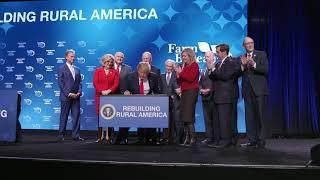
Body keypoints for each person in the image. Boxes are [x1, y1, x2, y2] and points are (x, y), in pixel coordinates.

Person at [239, 37, 269, 148]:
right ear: (244, 46)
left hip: (259, 91)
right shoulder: (242, 57)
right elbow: (238, 73)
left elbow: (266, 70)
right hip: (247, 91)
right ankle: (252, 140)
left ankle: (261, 141)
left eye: (251, 42)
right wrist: (242, 66)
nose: (250, 45)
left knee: (260, 117)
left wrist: (254, 64)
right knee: (249, 117)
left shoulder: (261, 54)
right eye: (247, 43)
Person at [208, 44, 237, 148]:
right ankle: (218, 140)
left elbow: (226, 76)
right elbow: (213, 77)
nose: (216, 53)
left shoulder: (231, 62)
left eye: (218, 51)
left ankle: (226, 141)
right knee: (217, 120)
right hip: (217, 95)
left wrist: (214, 70)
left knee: (224, 120)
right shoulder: (219, 63)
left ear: (224, 52)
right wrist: (211, 70)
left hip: (225, 96)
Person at [124, 62, 160, 145]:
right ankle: (140, 139)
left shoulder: (153, 76)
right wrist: (126, 91)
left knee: (150, 122)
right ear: (138, 70)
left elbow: (157, 91)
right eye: (141, 73)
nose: (143, 75)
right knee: (139, 121)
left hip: (149, 103)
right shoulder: (130, 76)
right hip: (134, 103)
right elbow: (126, 89)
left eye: (146, 73)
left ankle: (151, 139)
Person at [57, 49, 83, 141]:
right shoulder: (61, 68)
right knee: (64, 116)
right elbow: (61, 83)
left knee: (76, 117)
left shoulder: (77, 69)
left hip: (76, 97)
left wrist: (79, 92)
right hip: (66, 97)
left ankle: (76, 135)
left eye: (74, 56)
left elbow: (80, 82)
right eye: (71, 56)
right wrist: (69, 94)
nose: (73, 58)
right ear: (66, 57)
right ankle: (61, 135)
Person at [175, 48, 199, 147]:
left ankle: (193, 138)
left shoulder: (194, 65)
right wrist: (178, 75)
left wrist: (181, 73)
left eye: (185, 56)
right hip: (184, 92)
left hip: (191, 92)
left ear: (190, 56)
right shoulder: (184, 66)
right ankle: (187, 137)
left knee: (188, 116)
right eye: (182, 56)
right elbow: (182, 81)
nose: (183, 58)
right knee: (184, 116)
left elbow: (190, 78)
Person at [93, 54, 119, 144]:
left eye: (111, 61)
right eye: (107, 61)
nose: (109, 63)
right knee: (100, 116)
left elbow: (116, 83)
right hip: (99, 96)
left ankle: (110, 137)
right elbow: (95, 83)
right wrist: (101, 91)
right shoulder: (98, 71)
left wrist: (109, 90)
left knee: (110, 116)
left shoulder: (115, 71)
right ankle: (100, 137)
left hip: (110, 96)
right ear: (103, 62)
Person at [160, 59, 182, 144]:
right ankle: (166, 137)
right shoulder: (161, 76)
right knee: (165, 119)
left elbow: (178, 87)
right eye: (167, 66)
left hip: (175, 100)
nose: (168, 68)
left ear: (173, 67)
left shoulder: (176, 75)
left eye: (170, 66)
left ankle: (177, 138)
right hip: (164, 101)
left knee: (176, 119)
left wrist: (174, 95)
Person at [113, 52, 132, 145]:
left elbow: (130, 81)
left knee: (125, 117)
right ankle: (111, 137)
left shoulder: (128, 68)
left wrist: (128, 90)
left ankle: (124, 137)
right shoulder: (109, 66)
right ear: (114, 57)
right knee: (110, 116)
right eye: (118, 56)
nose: (120, 58)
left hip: (124, 95)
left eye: (121, 57)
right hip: (111, 95)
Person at [199, 51, 215, 145]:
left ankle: (216, 138)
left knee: (215, 120)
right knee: (207, 119)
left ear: (213, 57)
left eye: (208, 56)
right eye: (205, 57)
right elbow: (199, 83)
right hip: (204, 98)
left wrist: (209, 90)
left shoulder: (216, 67)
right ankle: (209, 137)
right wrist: (201, 90)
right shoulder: (203, 69)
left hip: (213, 97)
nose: (206, 58)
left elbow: (217, 82)